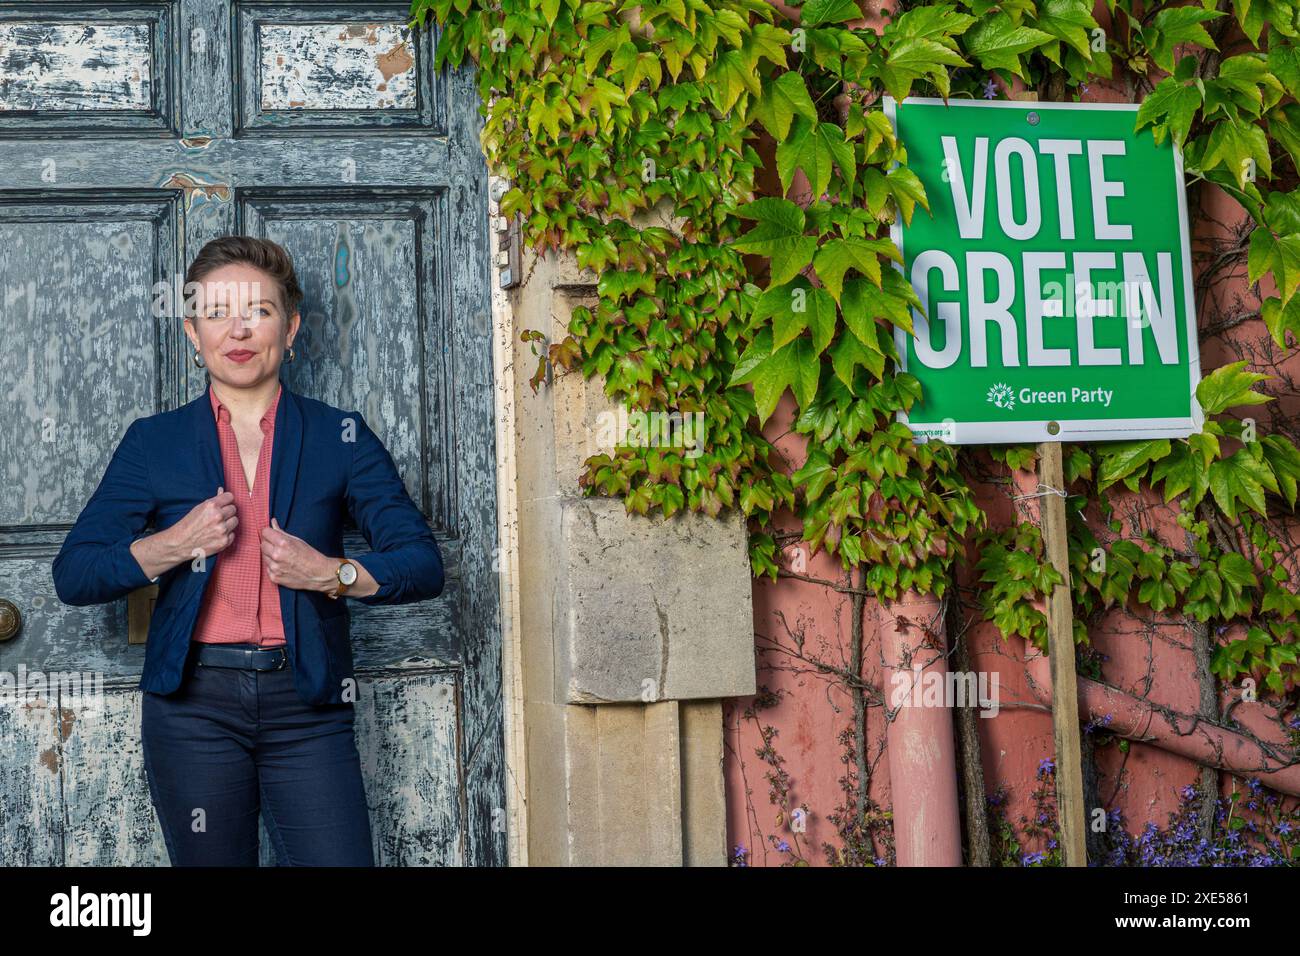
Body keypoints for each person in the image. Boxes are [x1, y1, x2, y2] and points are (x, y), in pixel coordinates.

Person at [51, 236, 444, 865]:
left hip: (308, 706)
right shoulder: (155, 443)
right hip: (192, 710)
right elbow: (75, 573)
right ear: (191, 331)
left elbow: (422, 563)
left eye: (258, 311)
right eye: (217, 312)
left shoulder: (339, 435)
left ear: (289, 328)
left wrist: (330, 572)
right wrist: (173, 545)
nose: (238, 329)